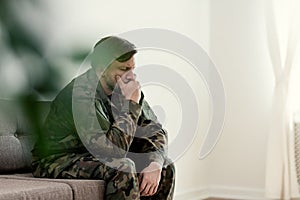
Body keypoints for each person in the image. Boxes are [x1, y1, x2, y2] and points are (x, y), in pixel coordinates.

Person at [31, 36, 175, 200]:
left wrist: (155, 162)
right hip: (57, 159)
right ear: (101, 69)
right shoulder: (80, 95)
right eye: (123, 69)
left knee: (165, 166)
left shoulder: (125, 89)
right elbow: (112, 151)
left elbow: (155, 131)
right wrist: (131, 106)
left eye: (132, 69)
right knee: (124, 167)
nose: (130, 76)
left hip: (94, 157)